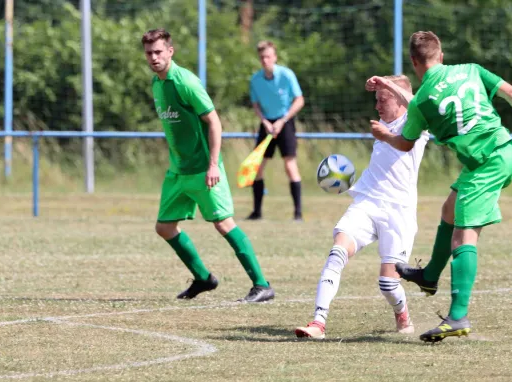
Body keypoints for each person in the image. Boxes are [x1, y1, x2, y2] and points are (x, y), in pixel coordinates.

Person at [368, 31, 512, 342]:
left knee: (463, 236)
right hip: (500, 151)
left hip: (489, 163)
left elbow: (404, 142)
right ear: (441, 56)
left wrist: (384, 135)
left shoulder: (422, 102)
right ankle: (429, 276)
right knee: (449, 209)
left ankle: (458, 316)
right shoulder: (470, 70)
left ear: (414, 62)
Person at [142, 28, 275, 302]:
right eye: (149, 53)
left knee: (224, 224)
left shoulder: (185, 82)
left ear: (170, 51)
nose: (154, 57)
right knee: (164, 228)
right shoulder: (157, 83)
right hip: (178, 170)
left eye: (158, 51)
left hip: (204, 169)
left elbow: (214, 121)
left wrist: (213, 164)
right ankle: (203, 279)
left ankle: (262, 285)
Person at [295, 75, 430, 339]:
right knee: (337, 253)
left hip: (398, 212)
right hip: (367, 202)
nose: (377, 107)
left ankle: (403, 314)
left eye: (383, 100)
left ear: (399, 99)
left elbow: (416, 106)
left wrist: (389, 87)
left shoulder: (415, 123)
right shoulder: (382, 123)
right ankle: (318, 323)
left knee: (388, 284)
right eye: (376, 100)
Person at [247, 40, 305, 221]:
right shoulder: (255, 80)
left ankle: (298, 213)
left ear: (275, 57)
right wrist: (265, 121)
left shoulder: (287, 75)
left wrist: (282, 120)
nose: (265, 60)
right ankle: (257, 212)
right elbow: (255, 104)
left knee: (290, 165)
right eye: (262, 57)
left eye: (268, 56)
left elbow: (299, 100)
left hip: (285, 122)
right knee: (257, 167)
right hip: (267, 124)